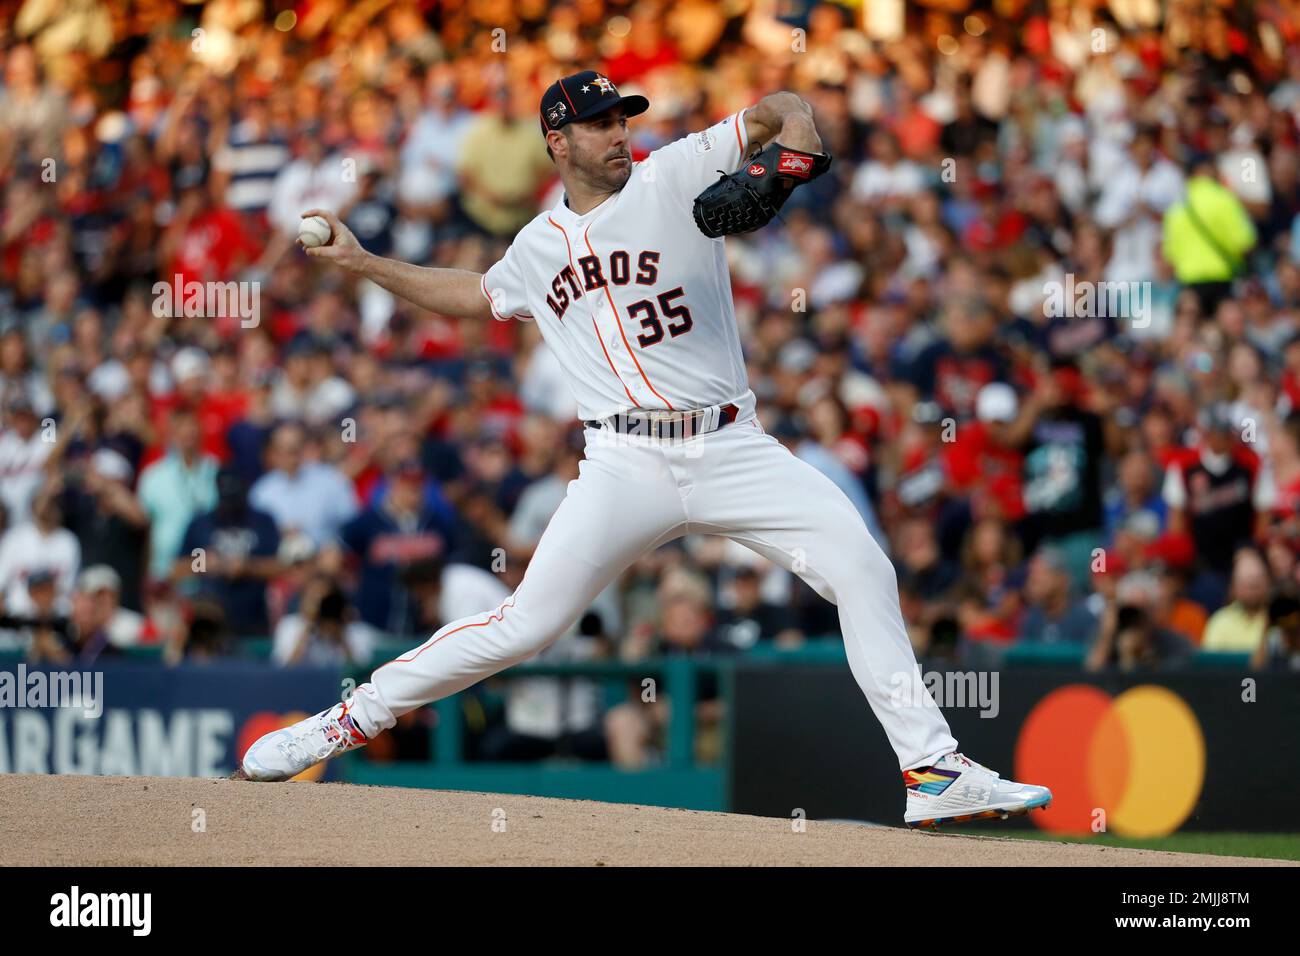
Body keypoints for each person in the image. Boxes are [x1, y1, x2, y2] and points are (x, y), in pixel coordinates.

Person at [240, 72, 1052, 829]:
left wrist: (794, 155)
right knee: (526, 625)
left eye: (622, 118)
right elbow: (474, 295)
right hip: (623, 465)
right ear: (557, 141)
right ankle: (340, 724)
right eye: (598, 124)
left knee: (861, 568)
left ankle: (932, 773)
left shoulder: (677, 172)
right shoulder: (537, 247)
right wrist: (363, 262)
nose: (619, 133)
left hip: (733, 445)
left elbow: (782, 104)